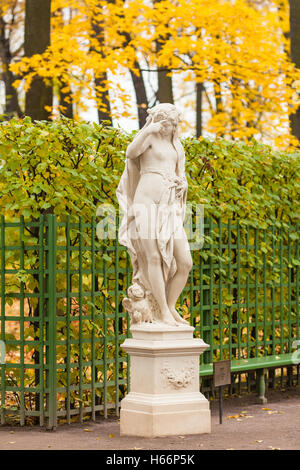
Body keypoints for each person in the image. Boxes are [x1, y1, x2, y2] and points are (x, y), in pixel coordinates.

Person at [116, 103, 192, 326]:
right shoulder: (148, 137)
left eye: (174, 124)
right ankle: (163, 314)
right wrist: (148, 129)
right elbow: (130, 153)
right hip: (145, 203)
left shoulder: (176, 145)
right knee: (154, 257)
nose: (171, 128)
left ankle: (169, 306)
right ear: (158, 120)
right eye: (167, 123)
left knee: (185, 262)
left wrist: (182, 184)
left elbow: (182, 175)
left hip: (168, 206)